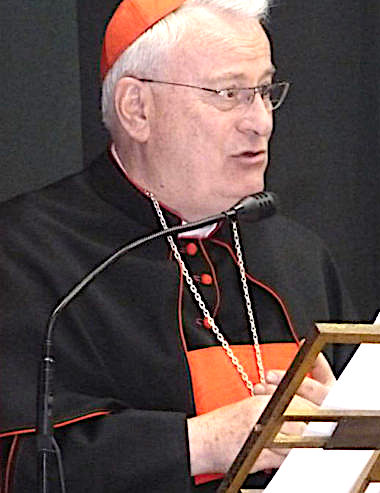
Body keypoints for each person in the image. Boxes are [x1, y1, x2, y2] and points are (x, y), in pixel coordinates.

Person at [0, 0, 354, 491]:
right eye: (229, 93)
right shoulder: (26, 253)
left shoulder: (298, 255)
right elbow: (18, 462)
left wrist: (352, 427)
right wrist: (201, 443)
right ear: (137, 109)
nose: (260, 122)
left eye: (264, 92)